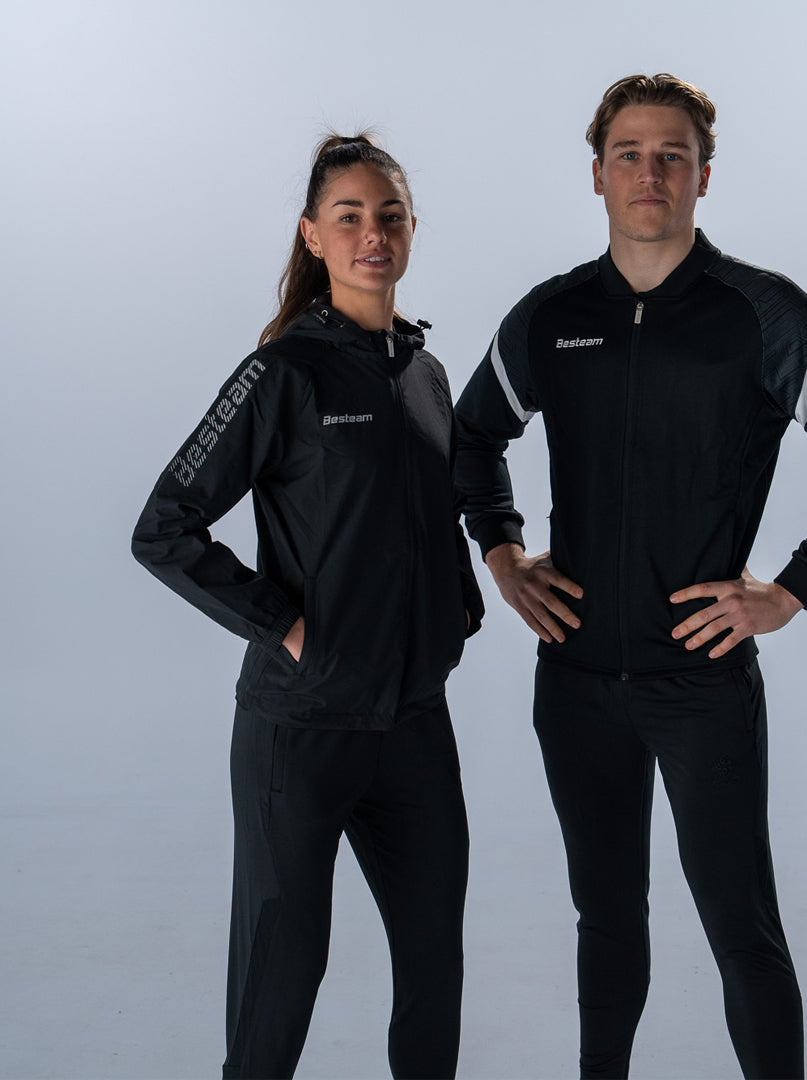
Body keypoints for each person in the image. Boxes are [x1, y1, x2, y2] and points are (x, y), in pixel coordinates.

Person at [453, 74, 807, 1079]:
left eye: (672, 154)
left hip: (700, 683)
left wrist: (790, 590)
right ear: (596, 175)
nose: (650, 172)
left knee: (740, 926)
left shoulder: (762, 313)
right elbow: (470, 437)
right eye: (629, 153)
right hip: (574, 682)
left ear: (705, 174)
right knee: (608, 918)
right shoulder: (552, 316)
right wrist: (501, 552)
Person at [132, 134, 483, 1080]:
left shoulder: (426, 374)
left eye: (390, 216)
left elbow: (427, 510)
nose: (374, 234)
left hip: (414, 724)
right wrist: (285, 624)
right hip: (304, 728)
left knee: (434, 973)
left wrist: (458, 603)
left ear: (413, 232)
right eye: (350, 217)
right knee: (283, 983)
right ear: (313, 235)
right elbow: (165, 526)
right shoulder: (281, 373)